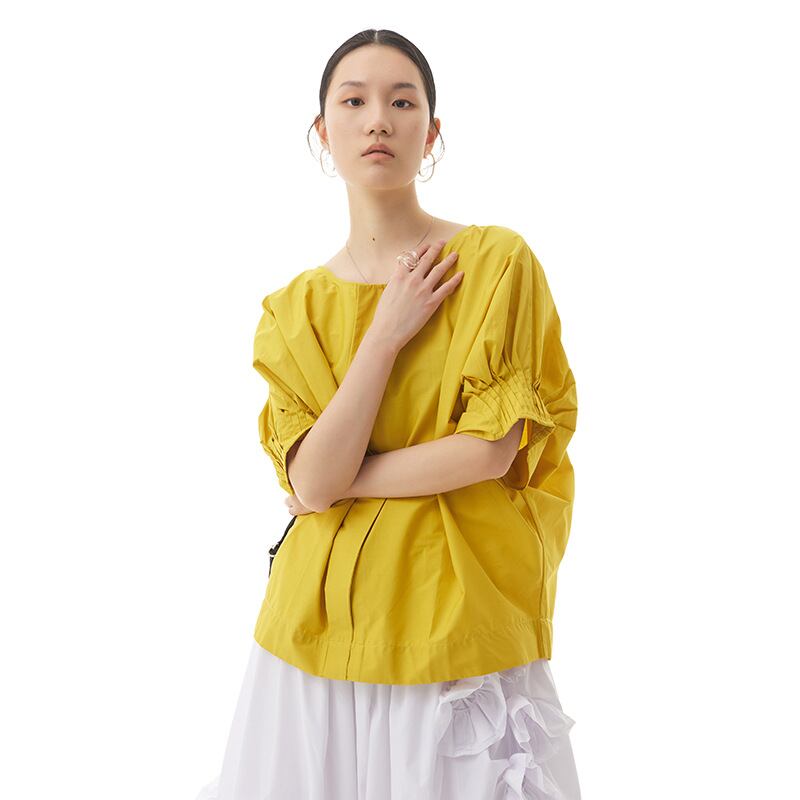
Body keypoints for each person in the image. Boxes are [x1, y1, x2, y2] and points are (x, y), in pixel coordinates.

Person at [196, 28, 581, 800]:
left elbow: (487, 451)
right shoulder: (293, 311)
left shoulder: (496, 262)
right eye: (354, 101)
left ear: (432, 133)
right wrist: (386, 332)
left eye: (403, 102)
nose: (378, 119)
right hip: (313, 638)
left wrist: (336, 483)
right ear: (322, 132)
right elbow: (311, 480)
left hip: (454, 628)